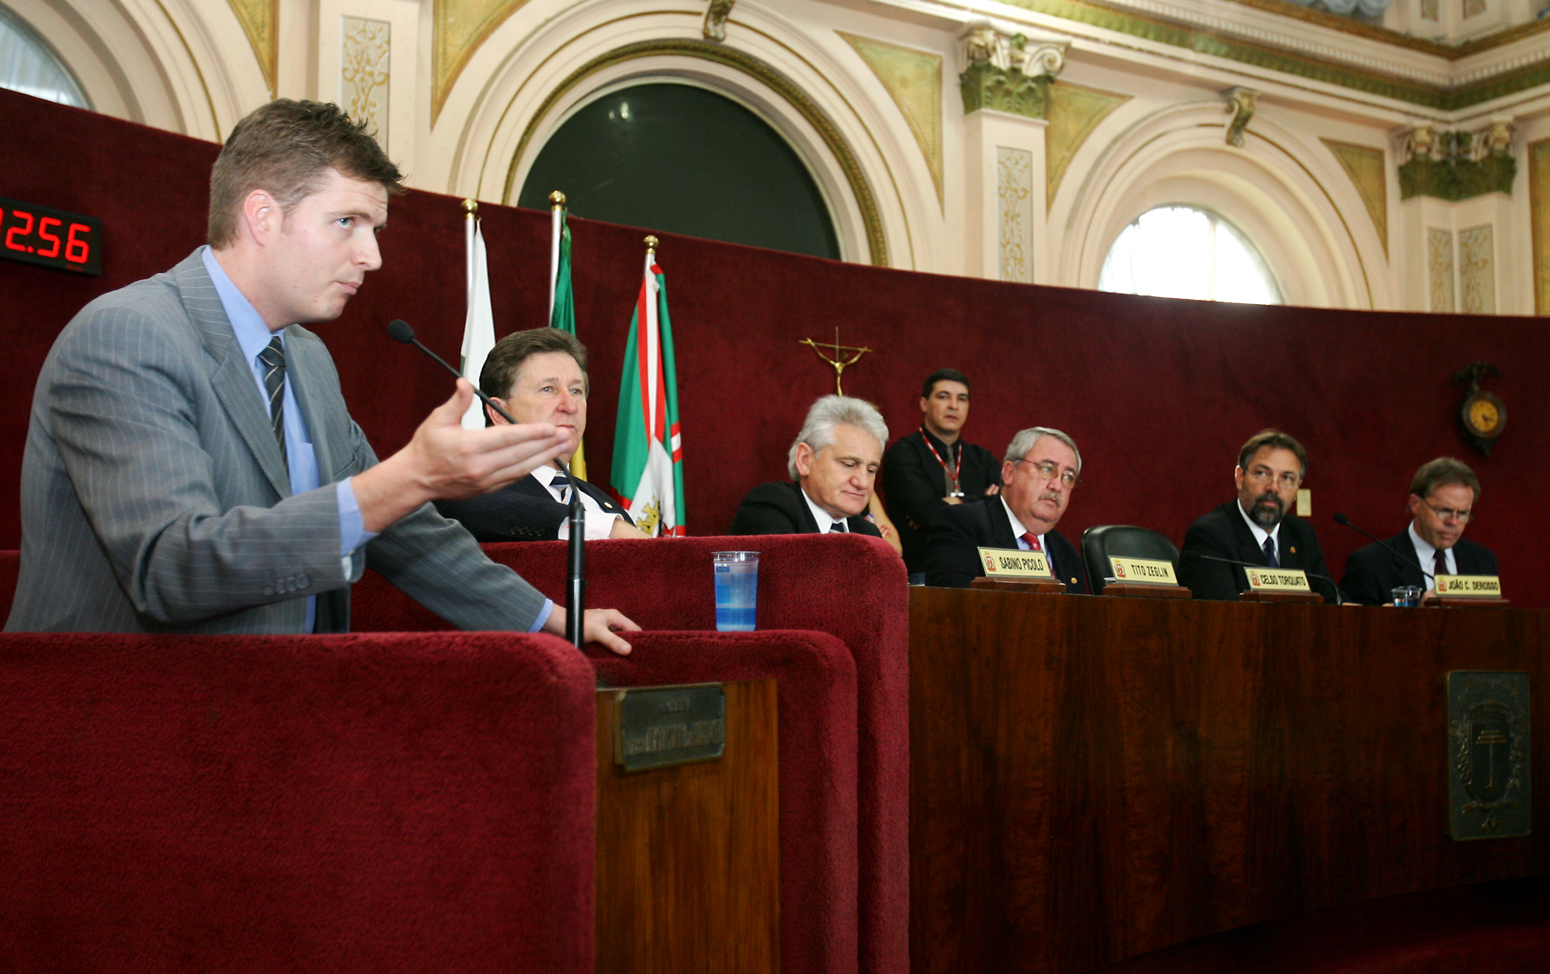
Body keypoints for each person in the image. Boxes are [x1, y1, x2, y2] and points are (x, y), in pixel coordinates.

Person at [4, 99, 637, 653]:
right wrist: (408, 476)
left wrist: (551, 618)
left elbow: (402, 529)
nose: (373, 255)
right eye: (347, 223)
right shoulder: (126, 335)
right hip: (121, 734)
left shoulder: (305, 357)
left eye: (375, 229)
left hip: (281, 714)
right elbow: (174, 567)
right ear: (262, 216)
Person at [436, 328, 648, 542]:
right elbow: (476, 504)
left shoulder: (601, 502)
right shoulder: (470, 487)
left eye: (576, 391)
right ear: (499, 413)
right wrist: (610, 531)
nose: (570, 406)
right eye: (548, 389)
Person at [1177, 429, 1334, 603]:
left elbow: (1330, 602)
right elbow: (1223, 616)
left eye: (1287, 478)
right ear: (1240, 477)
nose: (1274, 487)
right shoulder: (1210, 534)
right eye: (1262, 474)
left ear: (1297, 488)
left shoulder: (1301, 534)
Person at [924, 427, 1089, 591]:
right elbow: (953, 607)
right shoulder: (962, 525)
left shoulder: (1067, 553)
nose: (1057, 486)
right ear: (1009, 472)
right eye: (1047, 469)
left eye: (1068, 477)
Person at [882, 368, 1000, 583]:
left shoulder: (983, 459)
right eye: (943, 396)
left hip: (979, 572)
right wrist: (981, 502)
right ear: (924, 404)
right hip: (920, 572)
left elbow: (1003, 507)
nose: (953, 405)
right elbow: (927, 513)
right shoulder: (903, 454)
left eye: (961, 399)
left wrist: (955, 502)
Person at [1340, 457, 1498, 605]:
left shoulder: (1482, 561)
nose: (1453, 522)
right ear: (1415, 504)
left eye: (1463, 513)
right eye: (1444, 511)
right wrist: (1419, 617)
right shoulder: (1370, 565)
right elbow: (1358, 630)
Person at [728, 395, 889, 538]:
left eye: (871, 470)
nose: (863, 483)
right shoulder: (771, 506)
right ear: (805, 460)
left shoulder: (868, 533)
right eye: (848, 464)